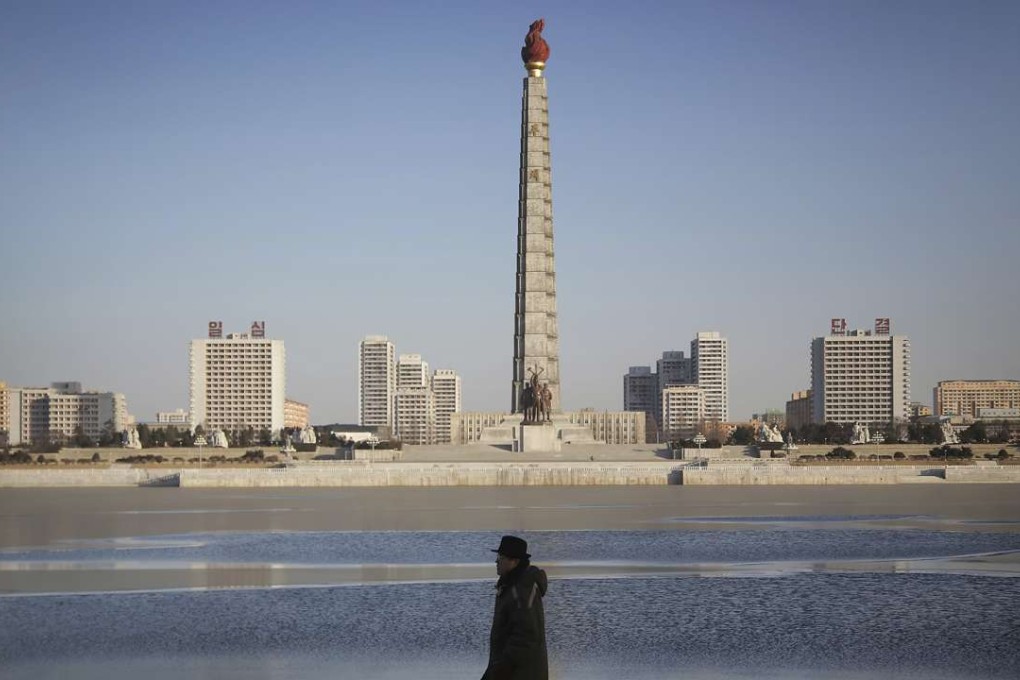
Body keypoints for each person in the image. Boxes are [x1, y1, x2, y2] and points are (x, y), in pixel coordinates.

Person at [482, 535, 549, 680]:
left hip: (520, 673)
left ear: (515, 561)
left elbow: (526, 636)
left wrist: (501, 669)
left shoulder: (520, 589)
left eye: (501, 557)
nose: (496, 561)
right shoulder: (511, 584)